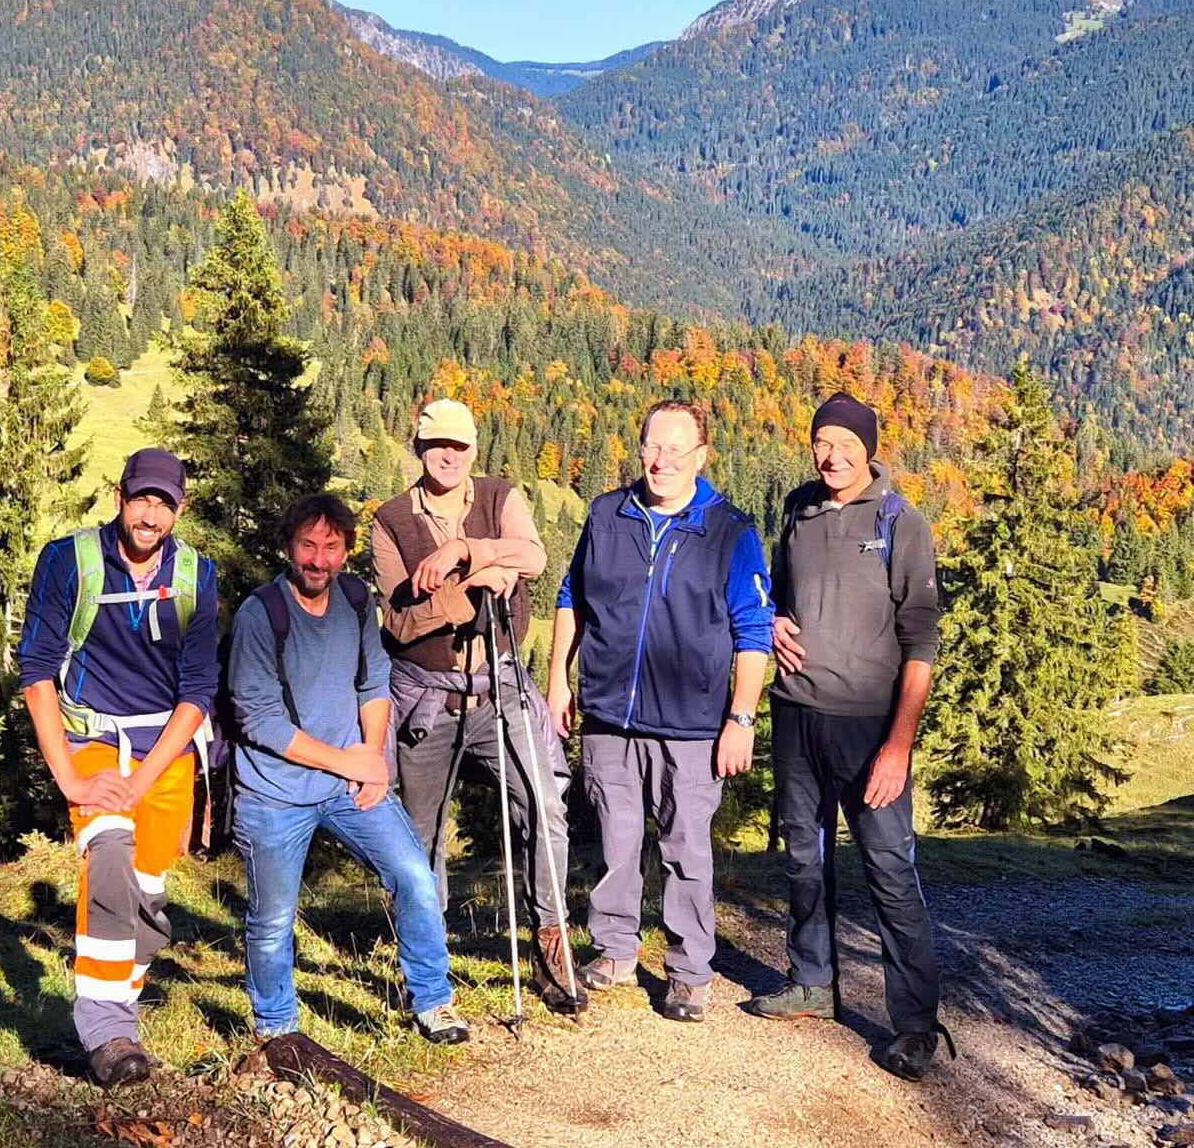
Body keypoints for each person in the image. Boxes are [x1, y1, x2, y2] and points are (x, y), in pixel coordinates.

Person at [748, 392, 951, 1081]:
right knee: (804, 859)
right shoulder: (798, 511)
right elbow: (777, 595)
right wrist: (773, 621)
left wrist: (899, 746)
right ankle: (811, 981)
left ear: (868, 447)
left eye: (844, 443)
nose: (831, 456)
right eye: (821, 442)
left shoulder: (902, 522)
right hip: (797, 715)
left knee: (890, 870)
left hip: (870, 730)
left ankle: (917, 1026)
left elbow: (921, 641)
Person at [548, 400, 772, 1022]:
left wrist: (741, 718)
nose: (662, 459)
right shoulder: (607, 515)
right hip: (609, 717)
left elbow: (753, 632)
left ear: (701, 456)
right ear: (640, 447)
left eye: (677, 448)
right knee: (616, 842)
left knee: (686, 850)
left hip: (694, 726)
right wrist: (558, 683)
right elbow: (573, 596)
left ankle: (689, 971)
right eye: (653, 445)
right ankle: (616, 951)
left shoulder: (730, 531)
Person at [229, 492, 470, 1045]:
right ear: (288, 547)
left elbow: (374, 682)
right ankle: (277, 1030)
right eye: (308, 546)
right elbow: (257, 719)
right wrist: (351, 761)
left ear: (346, 550)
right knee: (271, 922)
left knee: (414, 877)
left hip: (349, 782)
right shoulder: (260, 614)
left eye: (331, 547)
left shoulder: (358, 600)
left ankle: (434, 1000)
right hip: (274, 792)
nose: (318, 560)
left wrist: (375, 762)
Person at [371, 398, 585, 1015]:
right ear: (419, 447)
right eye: (437, 444)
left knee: (543, 801)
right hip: (426, 698)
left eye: (459, 446)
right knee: (422, 835)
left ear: (474, 449)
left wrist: (464, 552)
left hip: (501, 683)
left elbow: (535, 557)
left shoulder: (499, 495)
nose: (449, 455)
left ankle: (550, 938)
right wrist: (472, 588)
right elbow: (399, 621)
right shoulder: (389, 521)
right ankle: (427, 963)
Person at [18, 447, 218, 1088]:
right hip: (95, 742)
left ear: (178, 510)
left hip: (166, 749)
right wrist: (71, 779)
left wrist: (147, 775)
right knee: (108, 863)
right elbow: (37, 673)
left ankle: (116, 999)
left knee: (149, 900)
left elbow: (197, 693)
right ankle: (108, 1034)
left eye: (164, 502)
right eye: (141, 498)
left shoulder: (196, 575)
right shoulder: (69, 560)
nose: (150, 514)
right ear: (120, 497)